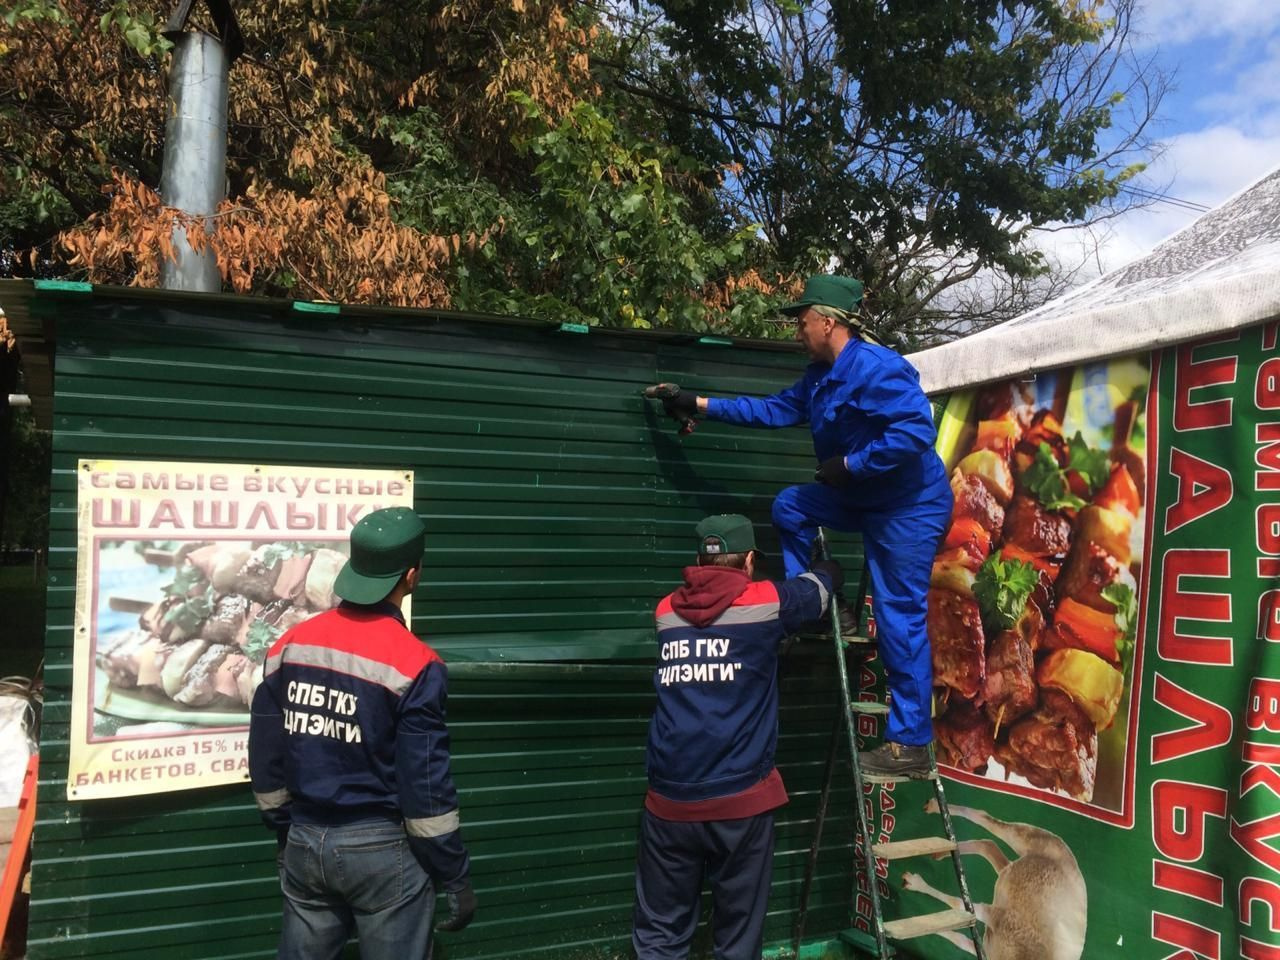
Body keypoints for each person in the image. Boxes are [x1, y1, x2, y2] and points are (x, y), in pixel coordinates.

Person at [648, 275, 952, 780]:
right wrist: (698, 404)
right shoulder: (818, 377)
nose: (797, 330)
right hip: (863, 499)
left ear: (827, 322)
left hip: (908, 507)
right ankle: (823, 603)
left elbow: (918, 432)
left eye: (802, 320)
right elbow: (770, 410)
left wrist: (852, 465)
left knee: (900, 617)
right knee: (791, 506)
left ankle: (910, 744)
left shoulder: (878, 369)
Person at [248, 506, 476, 960]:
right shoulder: (416, 663)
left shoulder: (290, 644)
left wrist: (283, 829)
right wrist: (453, 873)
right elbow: (425, 787)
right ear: (412, 576)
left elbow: (265, 754)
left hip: (304, 840)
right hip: (381, 852)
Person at [633, 513, 842, 960]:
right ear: (748, 560)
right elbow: (816, 593)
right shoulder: (764, 603)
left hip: (669, 804)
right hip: (740, 806)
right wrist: (829, 566)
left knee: (659, 936)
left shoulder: (665, 612)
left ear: (698, 559)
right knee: (737, 939)